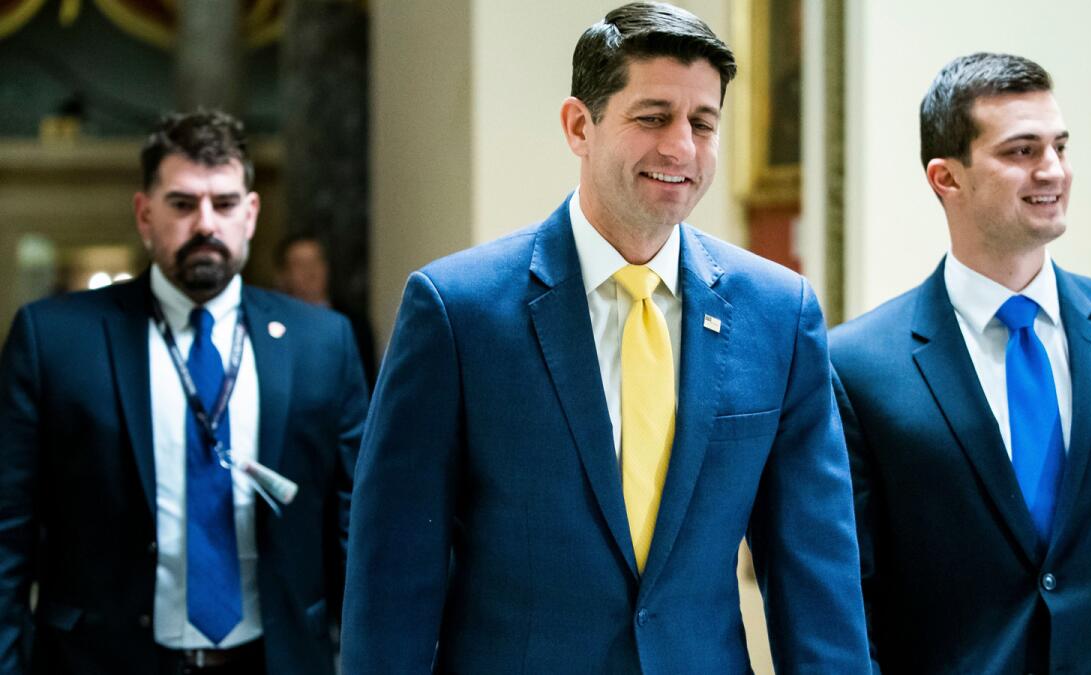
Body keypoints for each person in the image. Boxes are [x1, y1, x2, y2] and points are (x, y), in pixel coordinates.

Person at [342, 2, 869, 673]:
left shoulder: (779, 313)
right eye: (652, 117)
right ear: (578, 125)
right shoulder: (456, 311)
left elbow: (815, 572)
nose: (680, 146)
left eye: (702, 124)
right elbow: (393, 576)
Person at [829, 52, 1091, 673]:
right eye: (1021, 151)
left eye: (1059, 146)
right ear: (946, 178)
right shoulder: (856, 365)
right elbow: (849, 596)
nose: (1052, 170)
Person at [0, 110, 367, 674]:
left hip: (276, 660)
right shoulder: (54, 341)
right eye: (181, 203)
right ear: (144, 214)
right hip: (100, 660)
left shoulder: (324, 344)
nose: (204, 224)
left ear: (250, 213)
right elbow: (8, 531)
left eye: (222, 203)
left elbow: (354, 528)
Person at [274, 233, 377, 390]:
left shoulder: (354, 324)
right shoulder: (273, 325)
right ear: (283, 275)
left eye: (316, 261)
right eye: (300, 264)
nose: (311, 271)